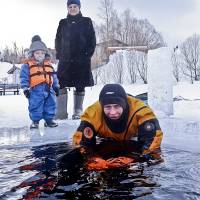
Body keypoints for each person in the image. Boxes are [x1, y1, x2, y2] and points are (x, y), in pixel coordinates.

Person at [73, 84, 163, 156]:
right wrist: (92, 159)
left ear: (124, 105)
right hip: (107, 141)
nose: (113, 112)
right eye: (108, 107)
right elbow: (81, 143)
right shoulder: (92, 113)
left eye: (117, 106)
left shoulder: (141, 111)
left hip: (132, 140)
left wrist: (136, 160)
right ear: (102, 106)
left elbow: (152, 142)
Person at [55, 0, 96, 120]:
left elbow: (92, 40)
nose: (72, 8)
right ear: (67, 8)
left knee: (80, 84)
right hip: (65, 60)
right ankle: (61, 112)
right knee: (61, 83)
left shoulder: (86, 21)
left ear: (79, 7)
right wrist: (60, 54)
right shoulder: (62, 23)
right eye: (70, 6)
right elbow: (57, 39)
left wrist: (86, 55)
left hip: (81, 60)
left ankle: (78, 110)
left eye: (75, 6)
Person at [20, 35, 60, 129]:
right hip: (35, 90)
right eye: (37, 53)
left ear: (45, 54)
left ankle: (49, 120)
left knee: (51, 104)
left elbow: (53, 76)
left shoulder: (49, 65)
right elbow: (24, 78)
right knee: (35, 105)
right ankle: (35, 121)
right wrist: (25, 89)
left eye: (42, 53)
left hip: (49, 89)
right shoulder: (27, 66)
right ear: (32, 54)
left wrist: (56, 87)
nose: (40, 55)